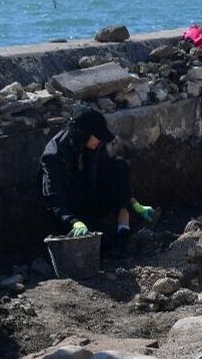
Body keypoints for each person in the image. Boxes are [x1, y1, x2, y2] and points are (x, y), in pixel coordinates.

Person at [41, 105, 153, 258]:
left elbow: (112, 176)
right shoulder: (53, 156)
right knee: (103, 240)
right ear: (84, 133)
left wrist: (134, 203)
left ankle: (123, 230)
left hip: (90, 200)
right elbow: (54, 201)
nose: (100, 141)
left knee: (119, 166)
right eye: (97, 136)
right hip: (70, 218)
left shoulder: (93, 147)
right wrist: (74, 222)